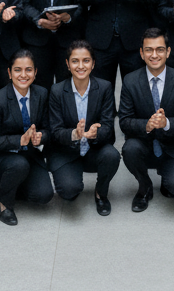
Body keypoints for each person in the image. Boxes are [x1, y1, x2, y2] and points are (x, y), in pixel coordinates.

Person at [118, 27, 174, 210]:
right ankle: (144, 185)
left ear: (168, 52)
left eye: (160, 49)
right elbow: (124, 121)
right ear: (141, 53)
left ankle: (168, 176)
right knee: (129, 149)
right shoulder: (130, 81)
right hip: (144, 143)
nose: (154, 55)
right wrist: (148, 124)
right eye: (149, 50)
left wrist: (166, 123)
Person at [47, 40, 120, 214]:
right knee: (69, 192)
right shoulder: (57, 91)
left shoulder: (104, 87)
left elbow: (108, 126)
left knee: (112, 155)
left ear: (93, 64)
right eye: (75, 61)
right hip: (66, 151)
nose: (81, 66)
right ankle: (72, 178)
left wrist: (94, 133)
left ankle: (101, 193)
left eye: (86, 60)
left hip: (93, 150)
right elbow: (55, 131)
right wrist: (74, 134)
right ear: (67, 64)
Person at [0, 50, 54, 225]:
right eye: (17, 70)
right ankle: (3, 203)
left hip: (29, 154)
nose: (23, 75)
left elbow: (49, 128)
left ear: (35, 72)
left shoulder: (42, 94)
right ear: (9, 73)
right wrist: (19, 140)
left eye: (29, 70)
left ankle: (15, 185)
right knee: (19, 164)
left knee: (44, 195)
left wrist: (41, 137)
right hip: (2, 155)